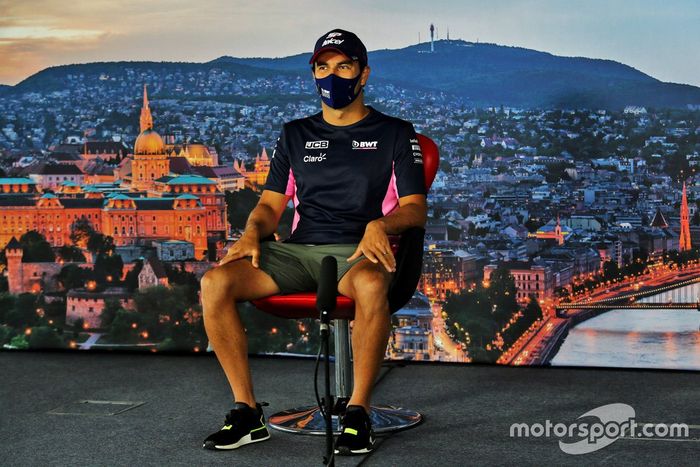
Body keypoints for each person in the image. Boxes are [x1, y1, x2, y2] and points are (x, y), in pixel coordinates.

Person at [201, 28, 427, 455]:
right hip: (299, 250)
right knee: (215, 282)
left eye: (343, 66)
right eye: (323, 67)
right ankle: (247, 413)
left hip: (358, 253)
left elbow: (415, 208)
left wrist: (380, 224)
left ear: (363, 75)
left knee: (371, 285)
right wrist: (252, 231)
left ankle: (358, 412)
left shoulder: (396, 133)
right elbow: (270, 206)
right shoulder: (295, 135)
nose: (332, 76)